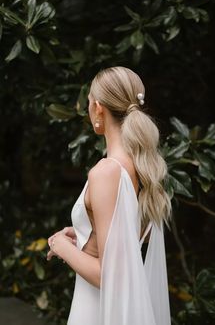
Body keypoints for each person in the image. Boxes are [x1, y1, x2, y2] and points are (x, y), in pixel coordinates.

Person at [47, 66, 172, 325]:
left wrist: (60, 246)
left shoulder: (106, 172)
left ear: (98, 108)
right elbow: (123, 239)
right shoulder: (144, 168)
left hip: (98, 311)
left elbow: (109, 275)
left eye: (90, 102)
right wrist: (85, 234)